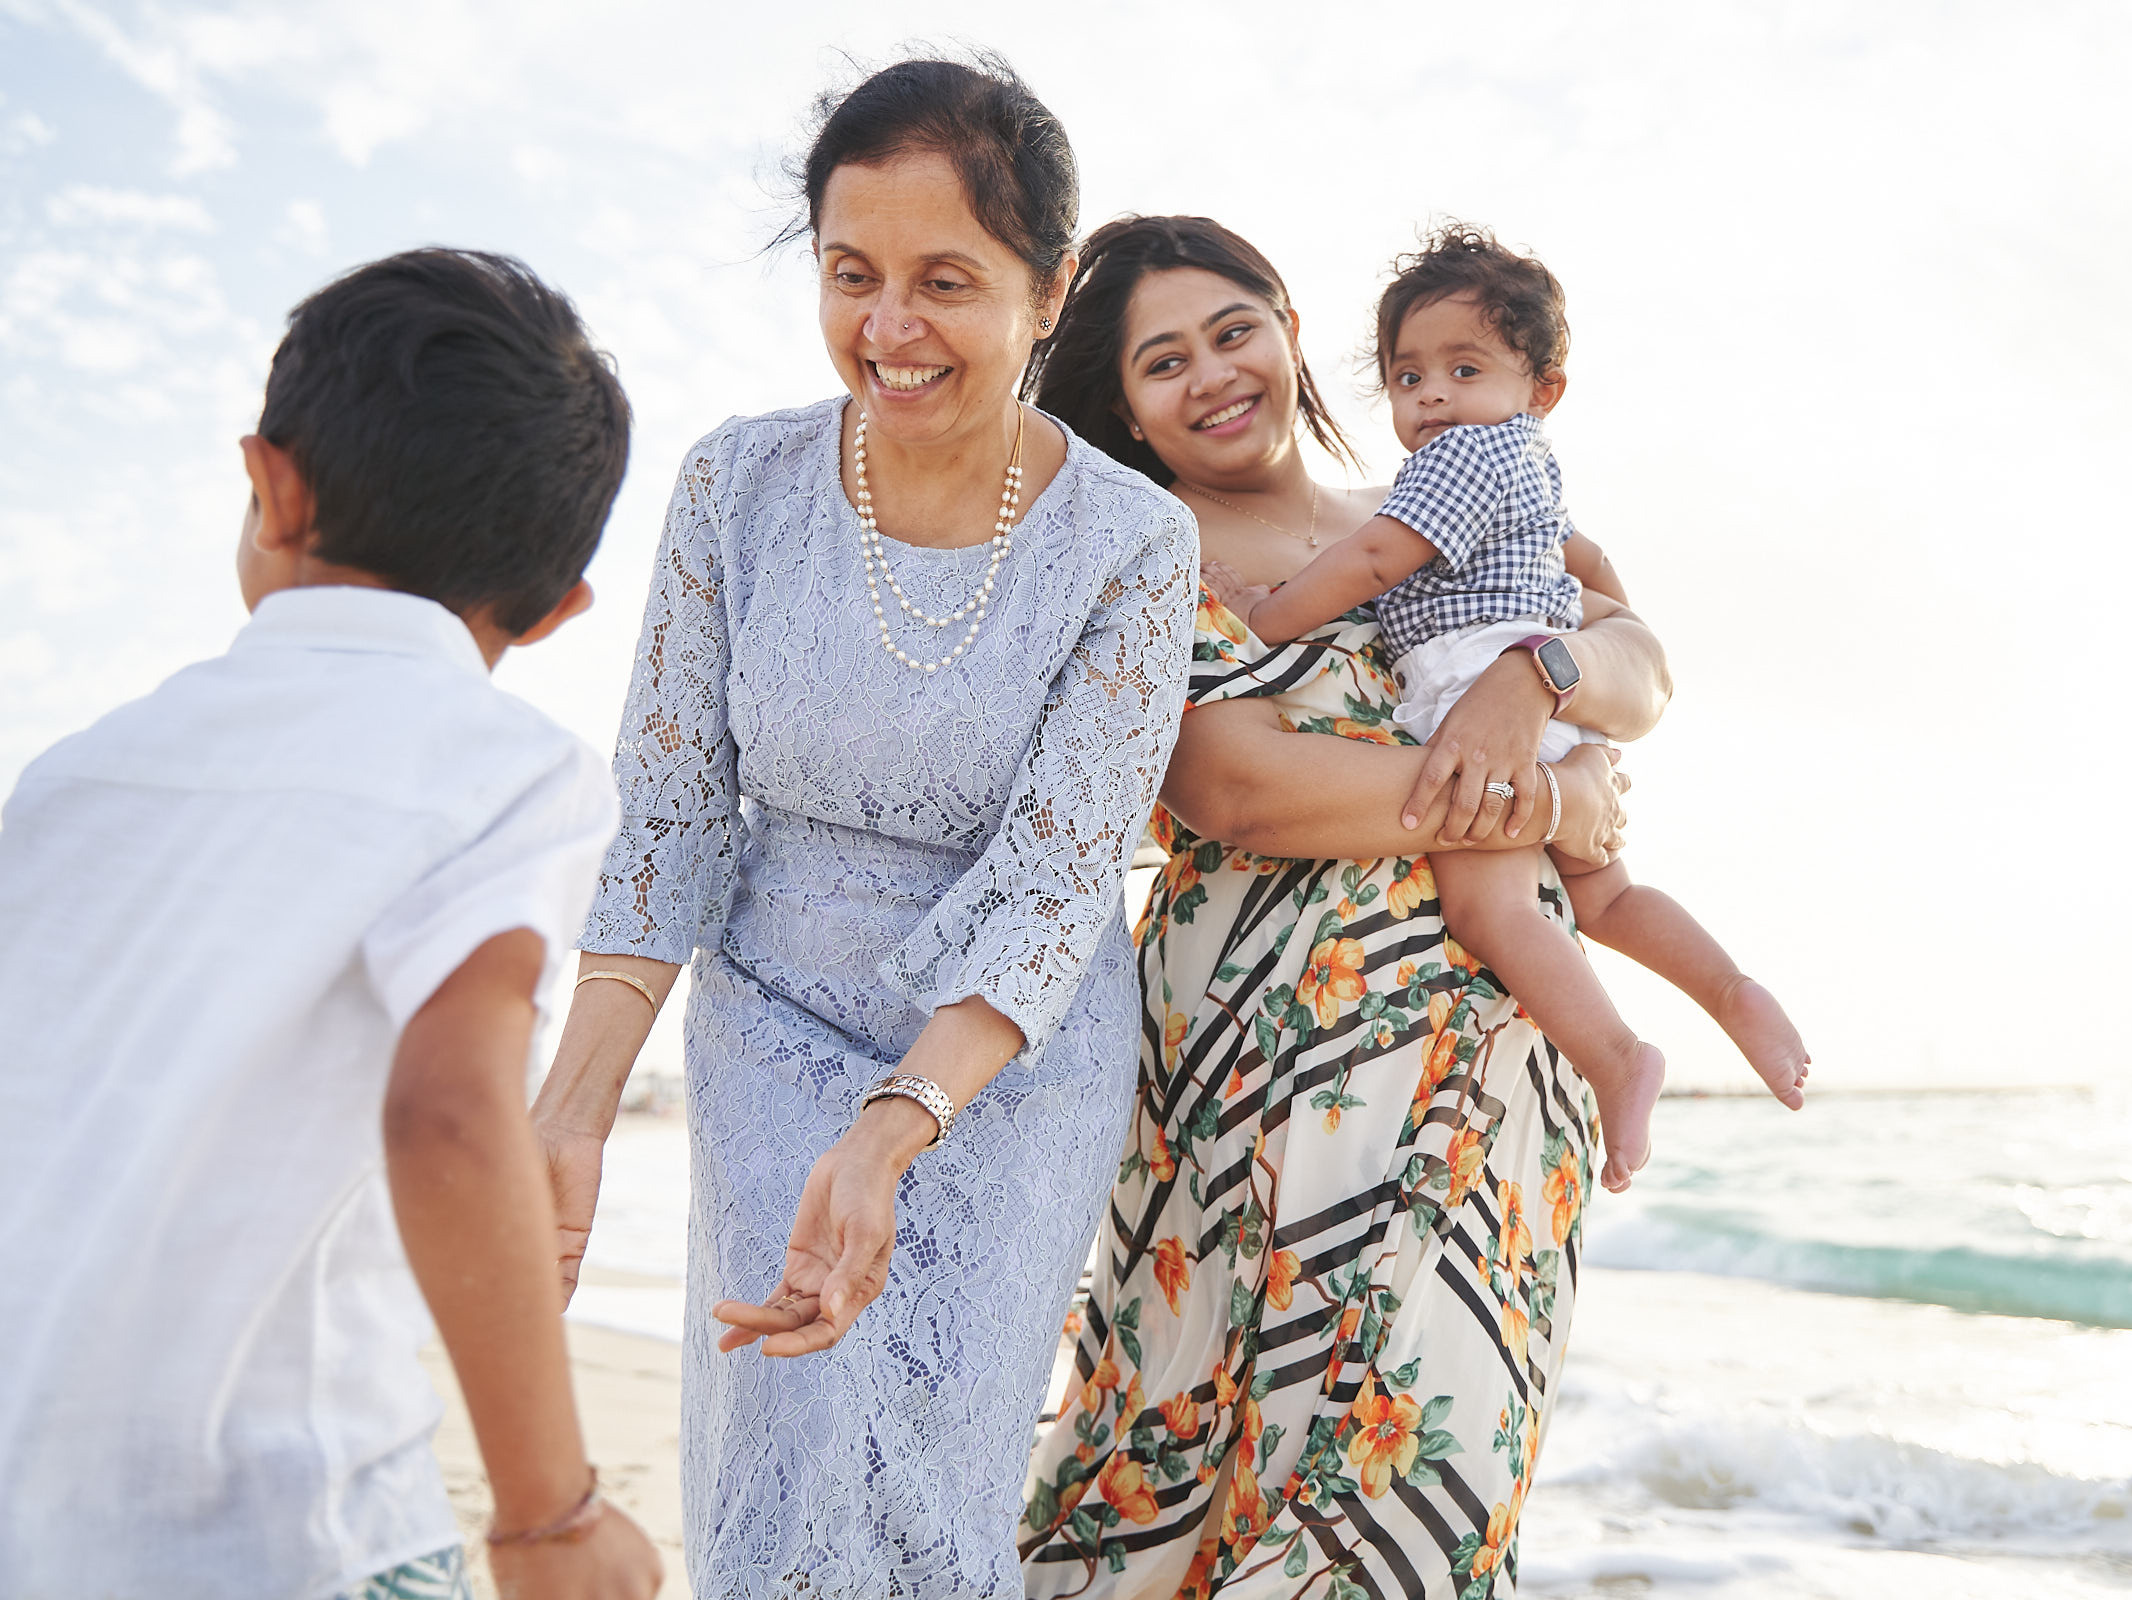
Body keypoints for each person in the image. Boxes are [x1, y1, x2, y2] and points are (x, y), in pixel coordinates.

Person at [529, 56, 1198, 1597]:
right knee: (786, 1449)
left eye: (945, 281)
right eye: (853, 276)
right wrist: (570, 1110)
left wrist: (902, 1122)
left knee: (928, 1479)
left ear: (1051, 289)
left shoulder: (1131, 542)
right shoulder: (734, 487)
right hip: (770, 1017)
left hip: (1006, 1053)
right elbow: (676, 817)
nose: (888, 331)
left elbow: (1052, 878)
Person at [1014, 216, 1663, 1597]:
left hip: (1488, 1074)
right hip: (1258, 1075)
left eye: (1233, 331)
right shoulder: (1140, 550)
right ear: (1122, 406)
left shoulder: (1436, 496)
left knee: (1433, 1466)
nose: (1212, 377)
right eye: (1162, 362)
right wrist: (1548, 803)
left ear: (1293, 333)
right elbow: (1234, 786)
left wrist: (1538, 675)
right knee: (1193, 1452)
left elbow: (1639, 660)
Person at [0, 249, 662, 1600]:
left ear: (272, 487)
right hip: (289, 1536)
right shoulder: (505, 772)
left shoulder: (72, 777)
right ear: (552, 611)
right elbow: (449, 1114)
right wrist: (550, 1515)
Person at [1202, 226, 1809, 1193]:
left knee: (1492, 907)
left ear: (1542, 386)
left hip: (1471, 677)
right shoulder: (1527, 461)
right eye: (1409, 377)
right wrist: (1562, 639)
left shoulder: (1450, 467)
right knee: (1604, 895)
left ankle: (1616, 1056)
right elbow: (1598, 573)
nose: (1431, 394)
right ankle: (1733, 994)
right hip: (1529, 676)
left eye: (1463, 368)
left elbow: (1370, 563)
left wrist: (1270, 613)